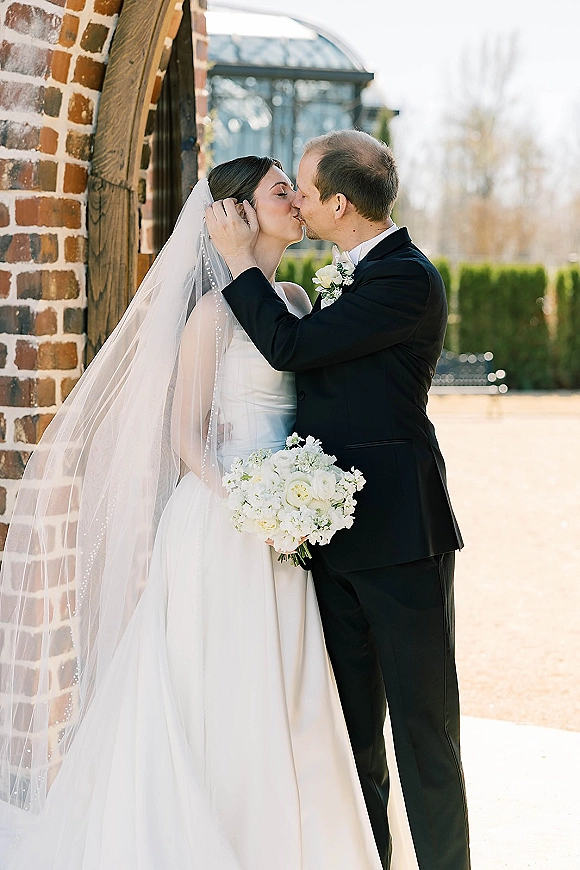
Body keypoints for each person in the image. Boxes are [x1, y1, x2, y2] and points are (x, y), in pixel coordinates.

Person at [0, 158, 386, 868]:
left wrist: (299, 503)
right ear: (236, 213)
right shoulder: (211, 315)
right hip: (225, 522)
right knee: (223, 693)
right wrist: (255, 503)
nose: (297, 202)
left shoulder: (298, 303)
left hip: (289, 527)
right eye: (281, 192)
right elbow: (185, 437)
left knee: (289, 693)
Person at [206, 130, 471, 870]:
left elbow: (289, 349)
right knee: (352, 735)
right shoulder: (338, 274)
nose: (297, 199)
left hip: (402, 541)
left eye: (306, 189)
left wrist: (235, 261)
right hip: (328, 538)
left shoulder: (404, 278)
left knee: (425, 735)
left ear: (340, 204)